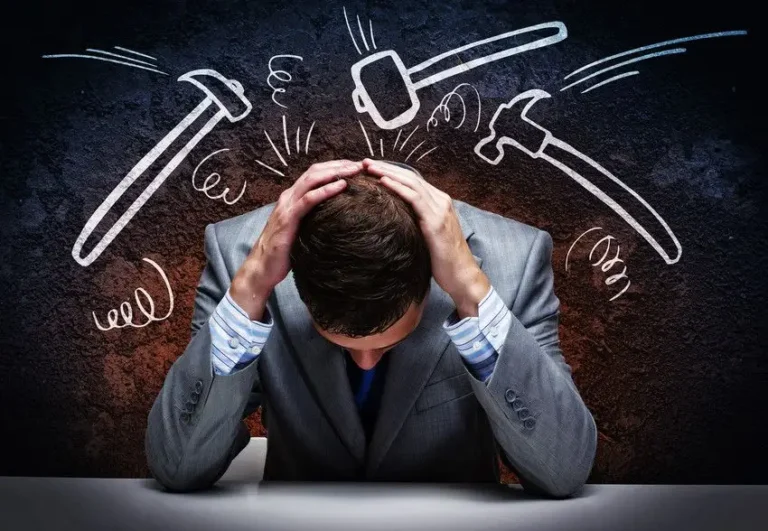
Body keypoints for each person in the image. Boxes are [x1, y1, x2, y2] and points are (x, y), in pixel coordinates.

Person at [145, 158, 597, 497]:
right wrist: (247, 291)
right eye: (342, 345)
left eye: (389, 343)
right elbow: (177, 467)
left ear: (429, 282)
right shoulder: (239, 258)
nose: (365, 364)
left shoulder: (514, 260)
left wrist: (473, 294)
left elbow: (564, 471)